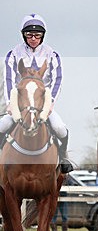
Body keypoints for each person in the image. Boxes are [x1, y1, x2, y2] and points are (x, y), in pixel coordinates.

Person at [2, 14, 75, 173]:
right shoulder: (13, 54)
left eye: (37, 35)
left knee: (60, 128)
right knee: (3, 125)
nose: (33, 38)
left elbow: (58, 79)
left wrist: (51, 103)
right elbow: (9, 79)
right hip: (19, 103)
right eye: (29, 35)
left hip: (43, 102)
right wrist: (10, 103)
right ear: (24, 35)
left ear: (43, 36)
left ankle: (63, 158)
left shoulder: (52, 54)